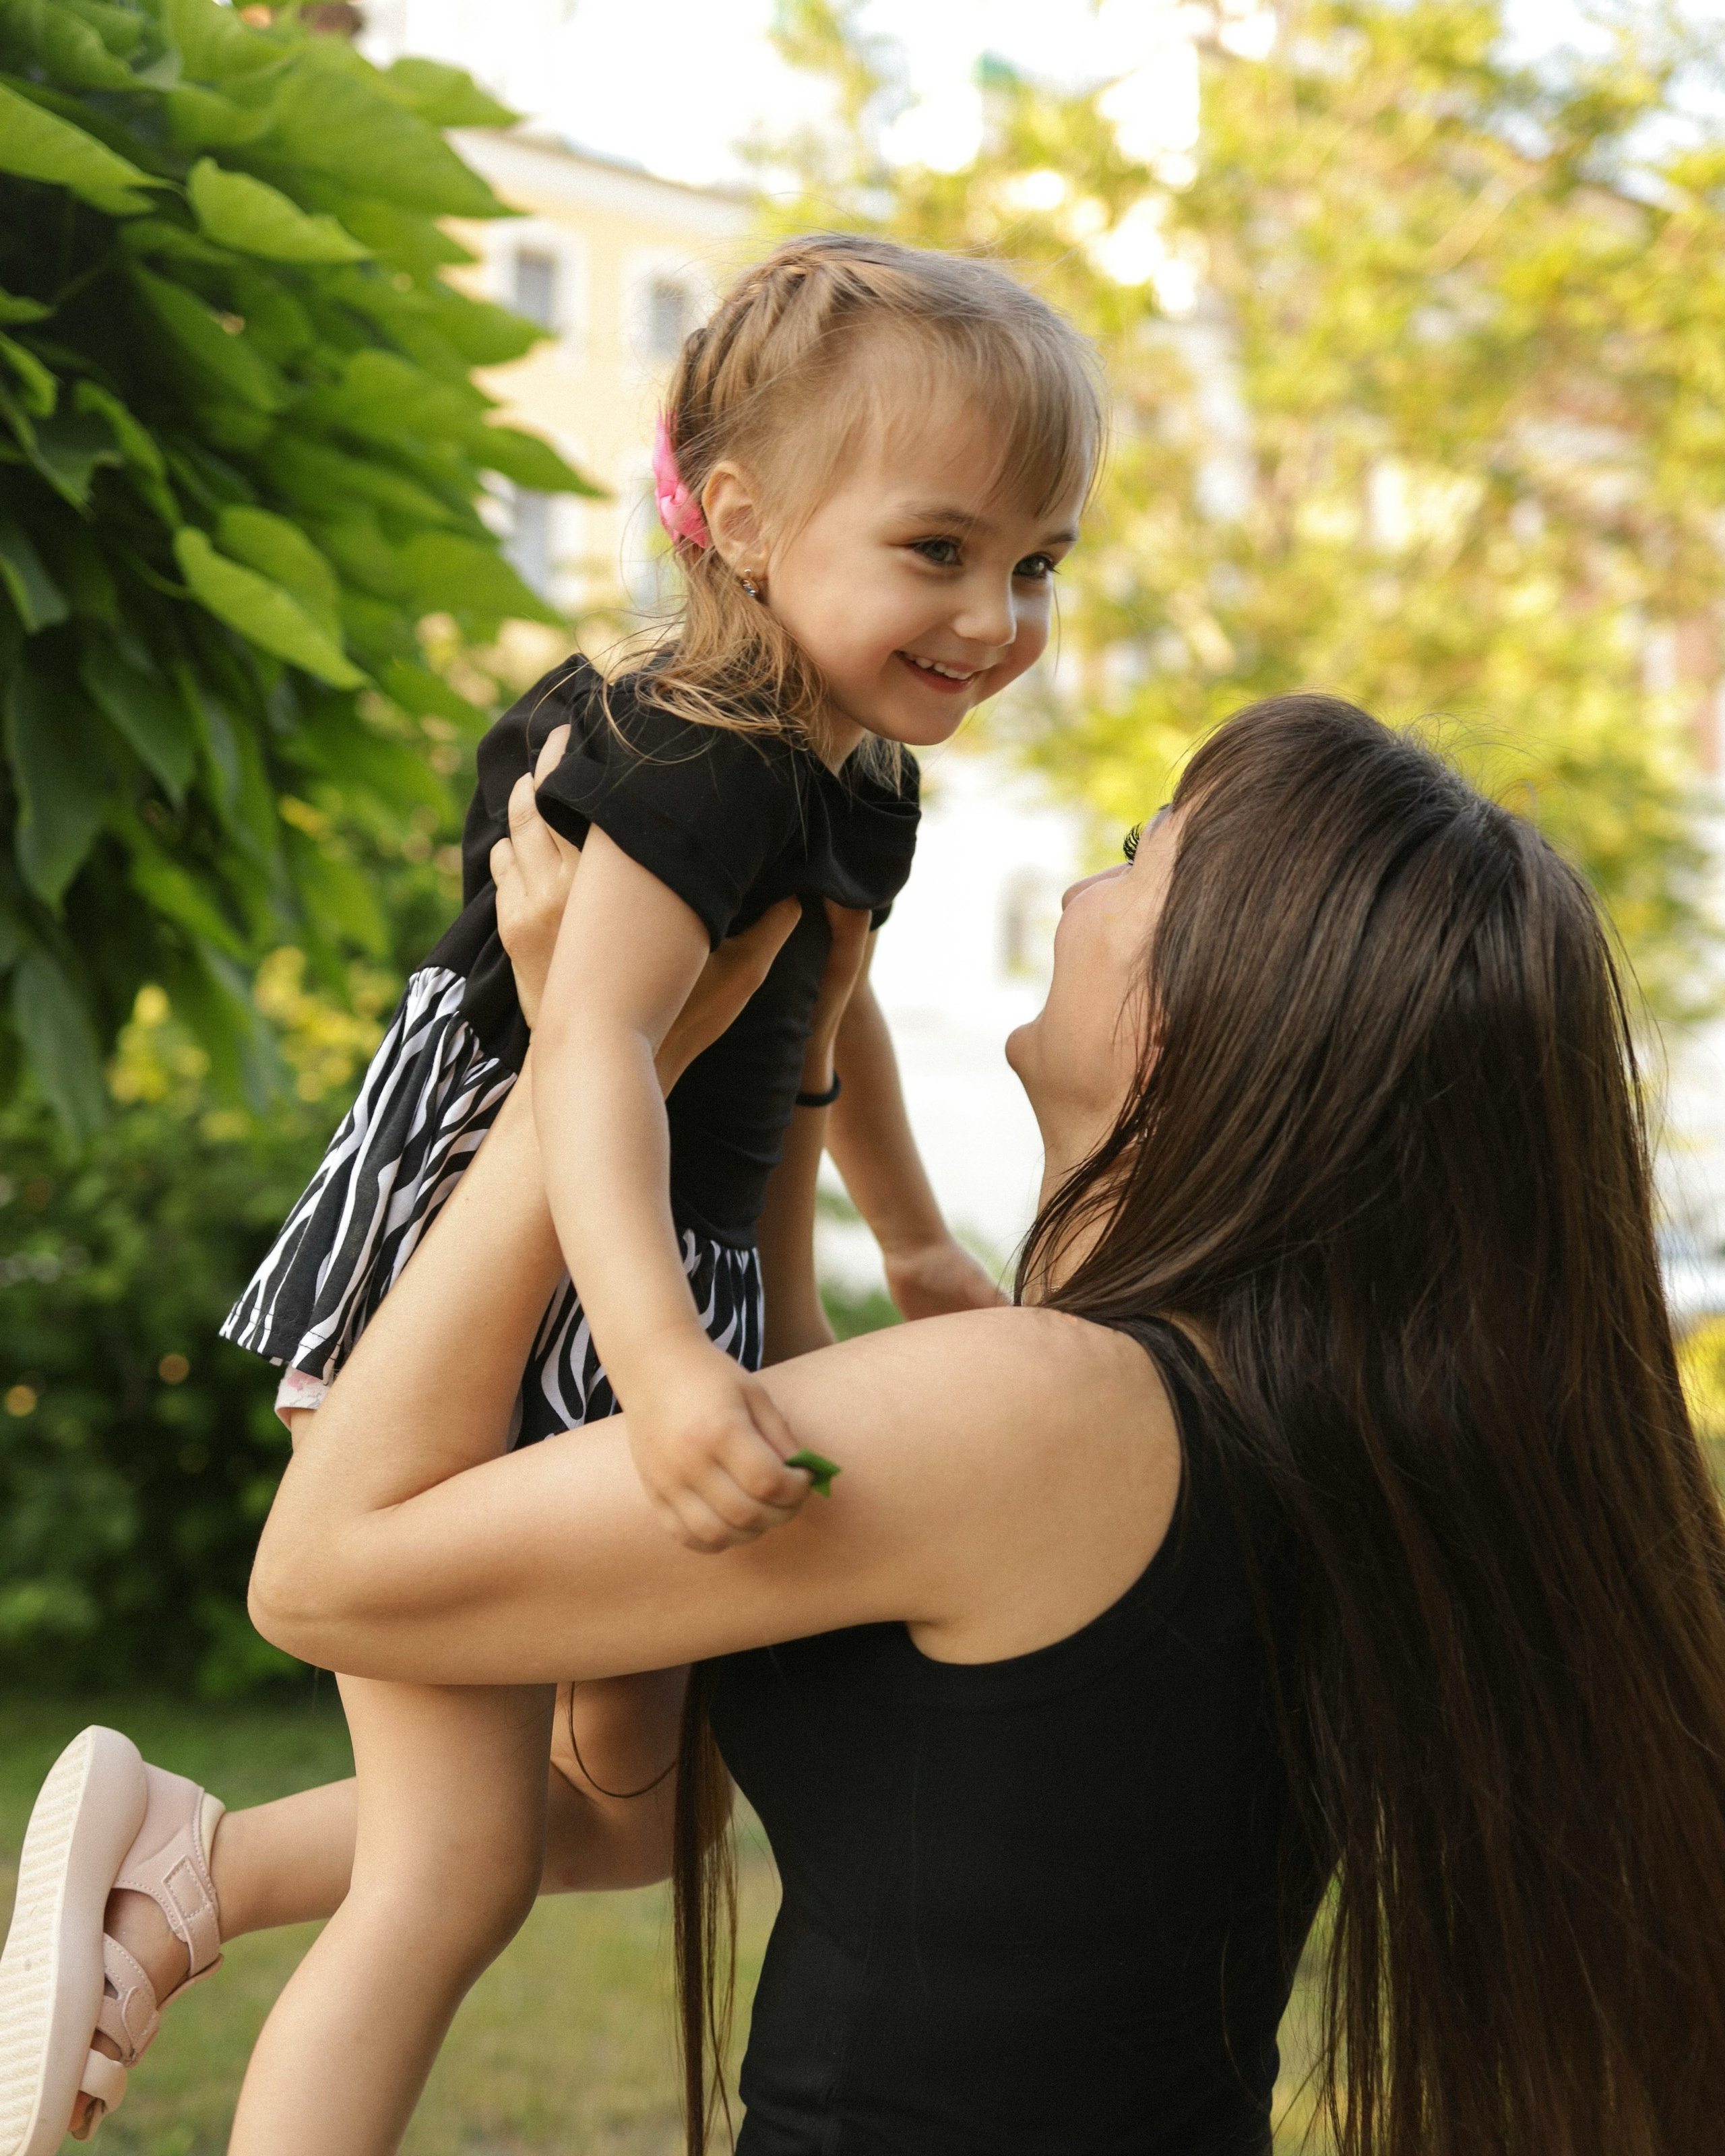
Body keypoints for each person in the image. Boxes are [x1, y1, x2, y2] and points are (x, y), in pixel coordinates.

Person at [21, 693, 1725, 2156]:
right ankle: (200, 1865)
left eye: (1134, 853)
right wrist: (783, 1060)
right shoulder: (1261, 1430)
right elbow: (667, 1727)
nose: (1079, 887)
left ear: (1200, 1011)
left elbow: (327, 1572)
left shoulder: (1050, 1412)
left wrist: (580, 1051)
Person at [0, 231, 1102, 2155]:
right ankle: (184, 1889)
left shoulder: (856, 774)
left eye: (1037, 565)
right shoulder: (695, 745)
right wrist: (669, 1366)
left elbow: (817, 1018)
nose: (994, 616)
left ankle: (185, 1871)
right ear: (742, 523)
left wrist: (905, 1248)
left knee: (633, 1810)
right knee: (449, 1875)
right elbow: (592, 1046)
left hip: (652, 1274)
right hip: (495, 1282)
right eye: (940, 549)